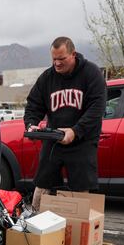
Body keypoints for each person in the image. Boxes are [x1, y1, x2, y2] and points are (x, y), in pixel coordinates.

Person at [24, 36, 106, 210]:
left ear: (73, 54)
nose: (57, 64)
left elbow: (96, 109)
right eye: (54, 59)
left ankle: (80, 228)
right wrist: (31, 125)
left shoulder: (91, 73)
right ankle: (36, 224)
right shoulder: (47, 78)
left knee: (81, 190)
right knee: (42, 184)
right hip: (54, 140)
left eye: (61, 59)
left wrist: (75, 131)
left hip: (82, 141)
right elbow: (33, 105)